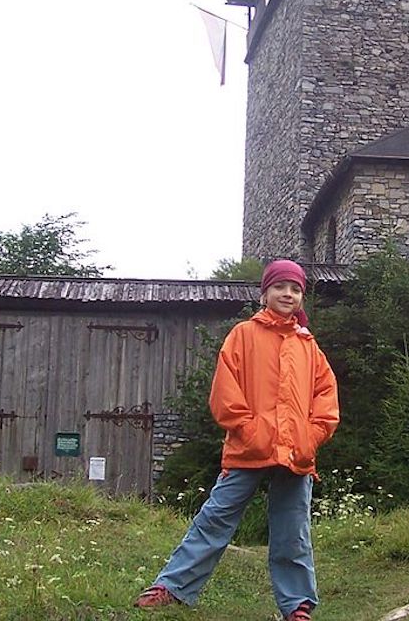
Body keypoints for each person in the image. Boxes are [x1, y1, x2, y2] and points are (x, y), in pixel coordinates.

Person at [134, 259, 339, 620]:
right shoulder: (243, 334)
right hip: (247, 449)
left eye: (295, 289)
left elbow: (326, 398)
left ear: (302, 298)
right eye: (280, 287)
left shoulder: (309, 346)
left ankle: (297, 606)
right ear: (264, 293)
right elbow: (225, 391)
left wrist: (312, 436)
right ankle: (172, 587)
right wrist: (247, 429)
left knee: (293, 532)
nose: (287, 294)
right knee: (214, 520)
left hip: (297, 454)